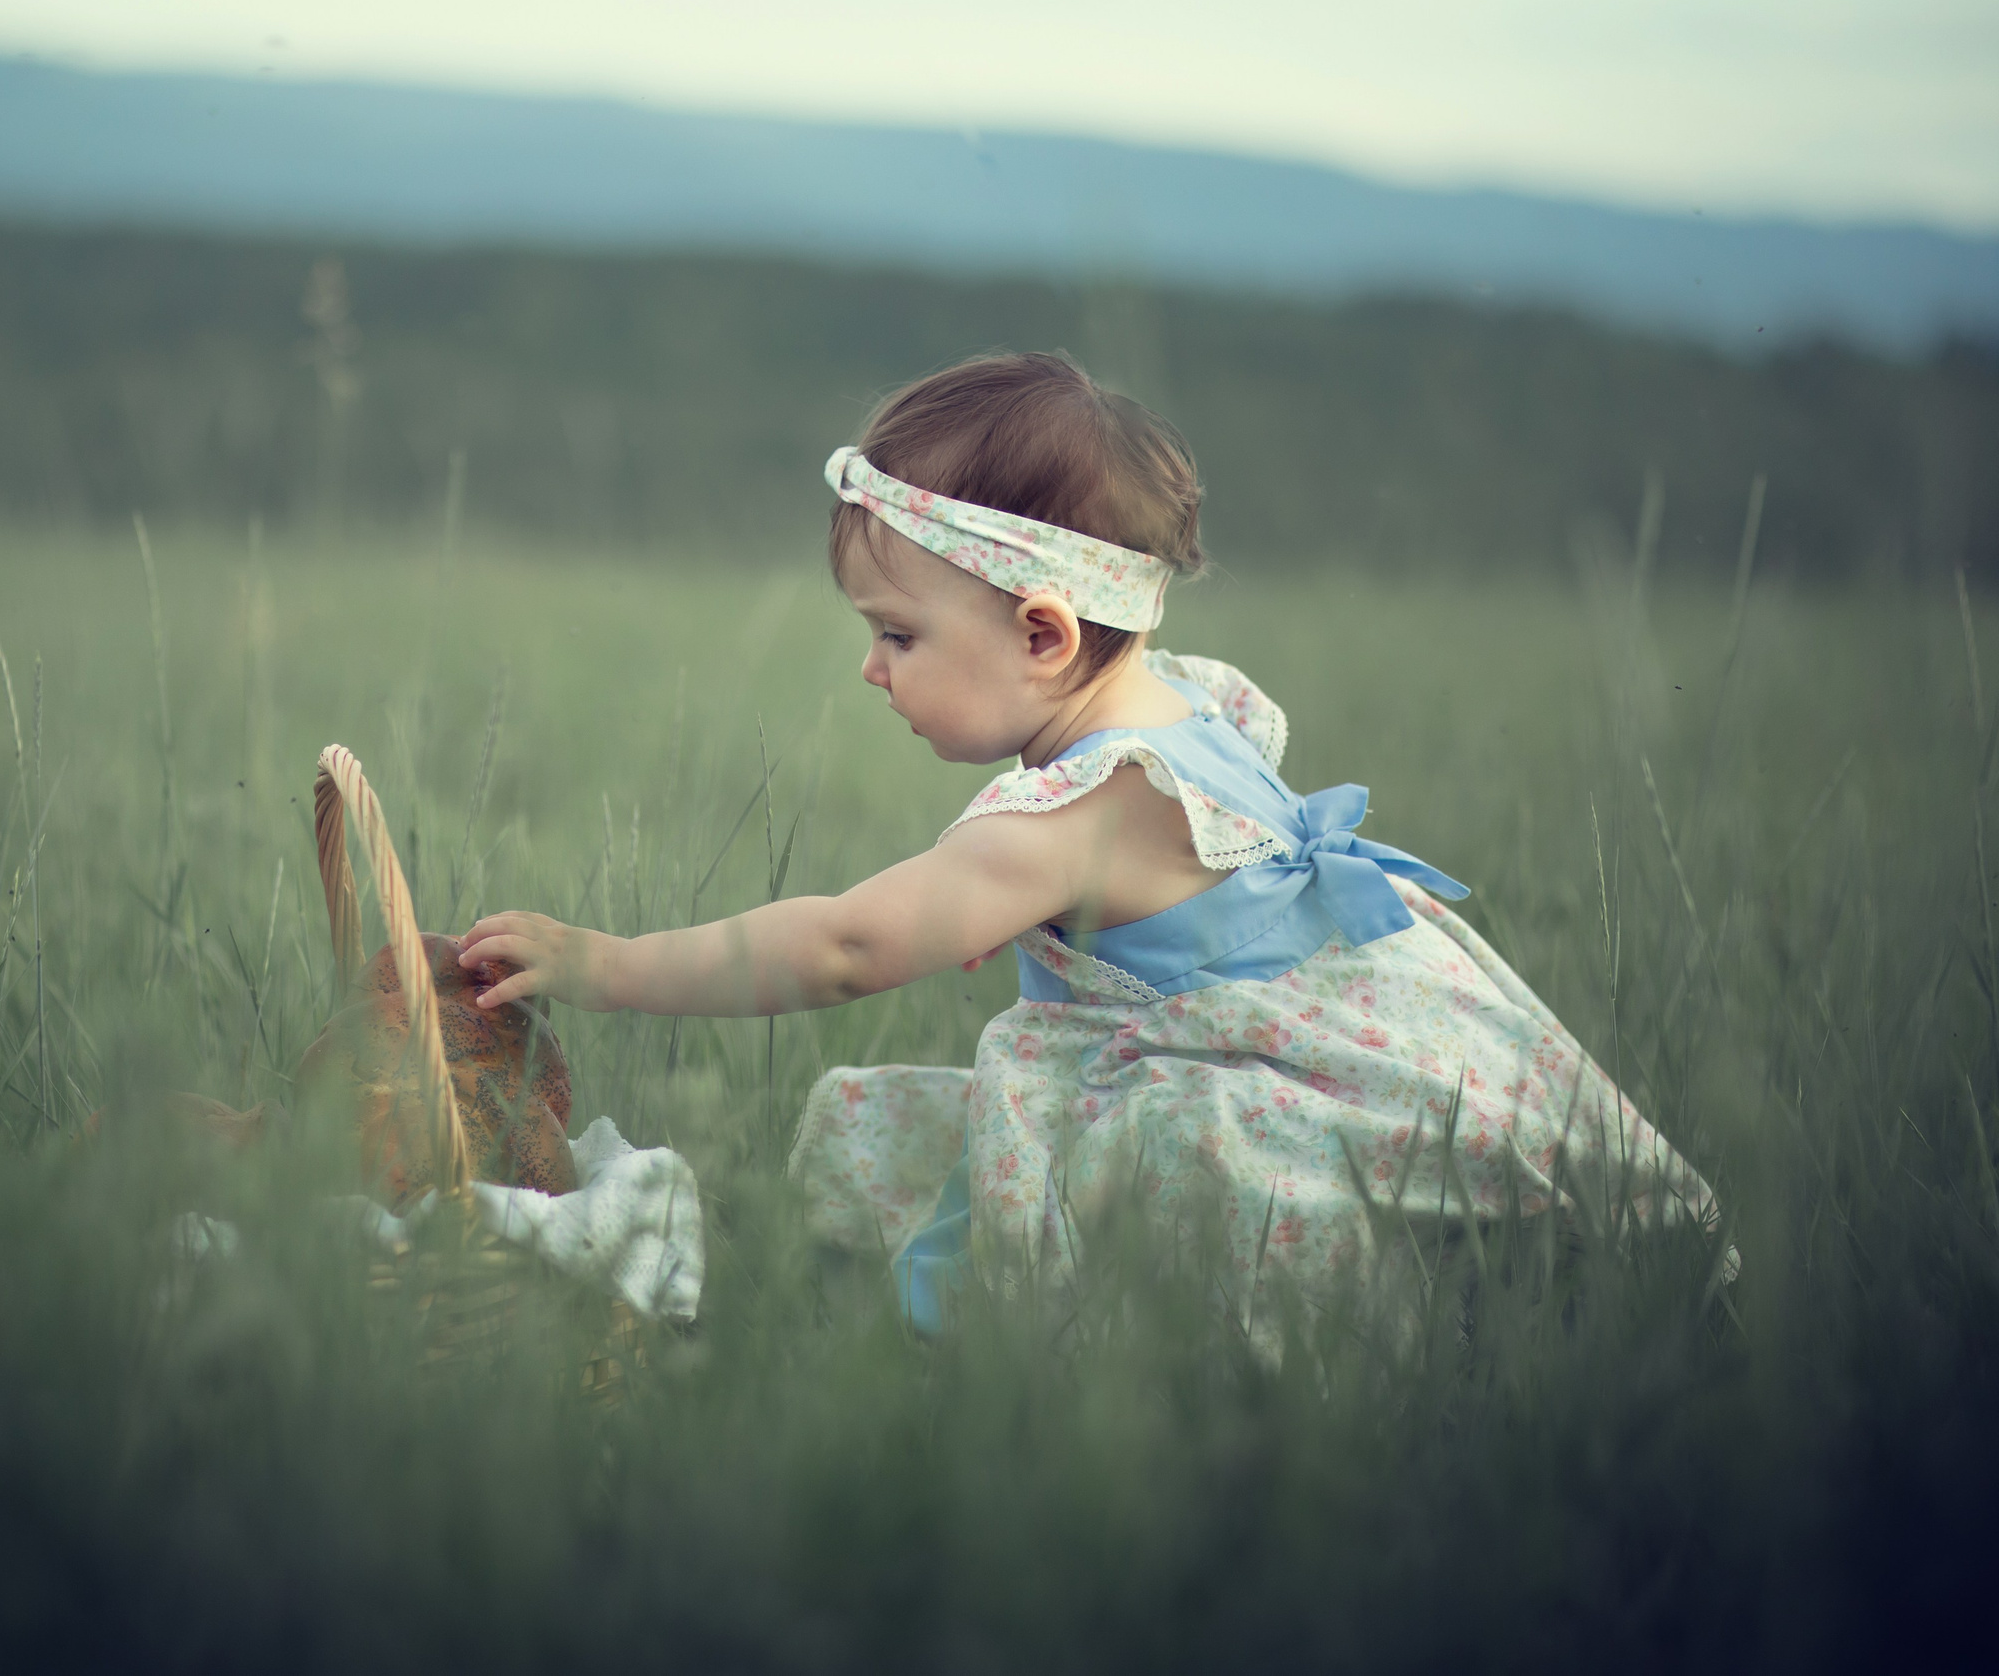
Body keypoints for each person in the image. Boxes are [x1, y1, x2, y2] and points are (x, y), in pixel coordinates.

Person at [461, 351, 1723, 1339]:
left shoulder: (1071, 812)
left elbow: (848, 947)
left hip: (1245, 1088)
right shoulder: (1181, 703)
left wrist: (606, 963)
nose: (869, 667)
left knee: (1166, 1212)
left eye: (898, 635)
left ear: (1045, 636)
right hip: (1363, 1046)